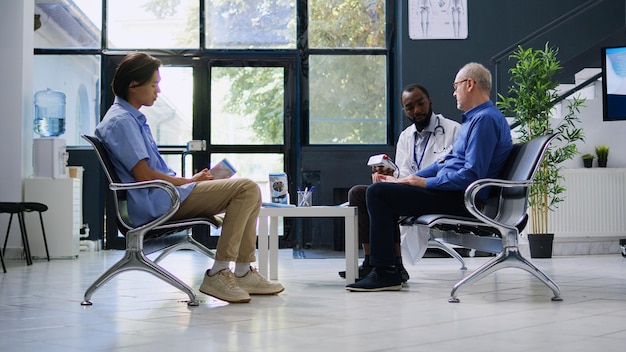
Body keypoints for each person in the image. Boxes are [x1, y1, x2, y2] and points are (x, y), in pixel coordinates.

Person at [95, 52, 284, 303]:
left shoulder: (130, 118)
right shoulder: (121, 121)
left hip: (163, 196)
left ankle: (242, 271)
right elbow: (143, 176)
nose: (158, 91)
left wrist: (191, 180)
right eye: (153, 84)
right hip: (156, 203)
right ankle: (219, 273)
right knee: (246, 188)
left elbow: (149, 172)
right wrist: (189, 183)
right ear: (133, 85)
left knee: (249, 193)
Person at [346, 62, 513, 292]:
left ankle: (386, 272)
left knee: (378, 193)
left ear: (470, 84)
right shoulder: (473, 120)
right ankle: (389, 265)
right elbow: (442, 163)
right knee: (362, 192)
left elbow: (472, 176)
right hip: (451, 192)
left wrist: (423, 183)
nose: (454, 92)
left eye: (456, 86)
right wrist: (406, 180)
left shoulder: (484, 120)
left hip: (463, 199)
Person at [338, 84, 460, 281]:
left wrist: (405, 182)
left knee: (382, 193)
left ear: (430, 102)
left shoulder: (454, 130)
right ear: (404, 110)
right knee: (357, 193)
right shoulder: (406, 136)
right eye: (410, 107)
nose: (417, 110)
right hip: (412, 189)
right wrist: (389, 175)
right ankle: (373, 262)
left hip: (437, 191)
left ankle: (387, 268)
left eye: (421, 104)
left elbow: (453, 170)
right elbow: (402, 172)